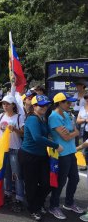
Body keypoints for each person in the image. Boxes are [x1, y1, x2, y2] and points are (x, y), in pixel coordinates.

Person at [18, 95, 63, 221]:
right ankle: (33, 209)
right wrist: (56, 145)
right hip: (29, 156)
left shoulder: (42, 118)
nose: (44, 107)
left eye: (46, 105)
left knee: (47, 183)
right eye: (41, 105)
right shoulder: (32, 119)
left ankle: (38, 203)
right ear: (34, 106)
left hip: (42, 156)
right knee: (31, 184)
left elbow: (49, 132)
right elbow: (37, 138)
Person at [48, 92, 84, 220]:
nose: (70, 104)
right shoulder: (54, 117)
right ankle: (53, 206)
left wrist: (72, 132)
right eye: (67, 102)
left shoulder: (66, 115)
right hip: (61, 154)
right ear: (59, 103)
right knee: (60, 182)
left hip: (71, 152)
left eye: (70, 102)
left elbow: (74, 132)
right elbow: (67, 136)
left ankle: (69, 203)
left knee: (74, 179)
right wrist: (73, 132)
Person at [0, 95, 25, 212]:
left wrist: (14, 129)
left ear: (13, 105)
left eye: (7, 104)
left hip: (15, 149)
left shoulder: (19, 117)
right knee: (6, 174)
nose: (5, 106)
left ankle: (19, 198)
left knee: (18, 175)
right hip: (3, 149)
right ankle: (8, 194)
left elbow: (23, 133)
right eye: (4, 103)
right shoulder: (1, 116)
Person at [73, 79, 87, 146]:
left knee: (84, 129)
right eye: (76, 85)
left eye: (78, 85)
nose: (76, 87)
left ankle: (85, 144)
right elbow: (72, 104)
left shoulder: (86, 94)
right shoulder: (75, 94)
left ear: (82, 86)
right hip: (75, 113)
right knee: (75, 129)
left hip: (83, 114)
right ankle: (76, 145)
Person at [76, 93, 88, 169]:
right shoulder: (82, 108)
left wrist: (76, 149)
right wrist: (85, 120)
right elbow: (78, 120)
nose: (87, 99)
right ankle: (86, 164)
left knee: (85, 146)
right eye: (86, 98)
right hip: (85, 130)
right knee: (85, 149)